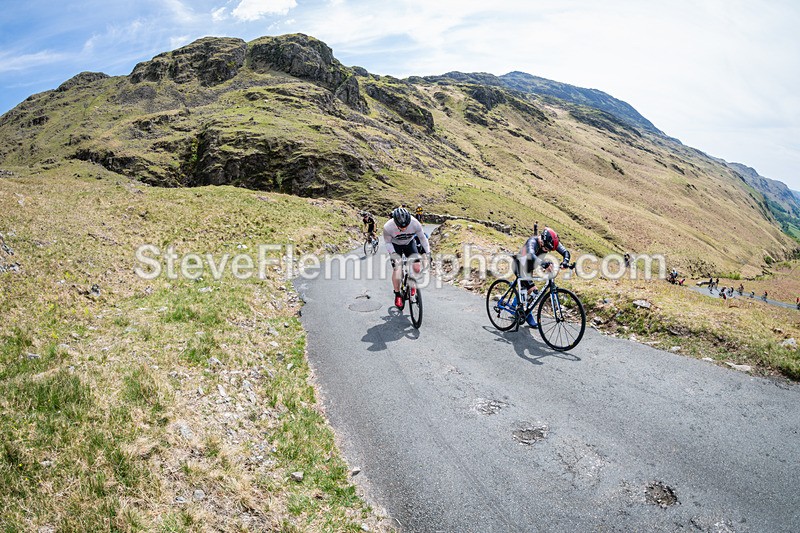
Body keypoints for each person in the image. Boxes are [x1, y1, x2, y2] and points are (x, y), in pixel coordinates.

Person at [513, 226, 571, 327]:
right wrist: (544, 264)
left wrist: (565, 262)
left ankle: (517, 305)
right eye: (545, 248)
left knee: (527, 291)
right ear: (542, 240)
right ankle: (525, 313)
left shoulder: (550, 242)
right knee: (532, 289)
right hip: (519, 266)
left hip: (529, 268)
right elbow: (531, 255)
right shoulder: (532, 241)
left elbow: (566, 252)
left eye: (549, 250)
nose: (547, 250)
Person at [383, 207, 430, 309]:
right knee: (398, 269)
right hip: (395, 246)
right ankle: (397, 294)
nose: (404, 229)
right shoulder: (388, 227)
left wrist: (428, 253)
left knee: (417, 267)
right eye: (400, 227)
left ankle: (412, 284)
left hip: (409, 243)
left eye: (406, 226)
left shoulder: (415, 223)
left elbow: (423, 239)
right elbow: (387, 243)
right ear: (395, 222)